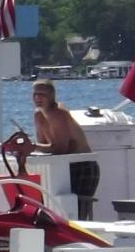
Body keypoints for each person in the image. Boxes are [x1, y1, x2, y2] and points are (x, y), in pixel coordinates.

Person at [29, 78, 99, 217]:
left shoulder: (58, 113)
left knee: (77, 212)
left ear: (52, 96)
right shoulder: (39, 115)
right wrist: (30, 146)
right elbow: (43, 145)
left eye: (42, 94)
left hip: (82, 165)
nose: (37, 98)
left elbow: (61, 149)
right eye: (35, 94)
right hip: (61, 166)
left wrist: (32, 146)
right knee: (58, 210)